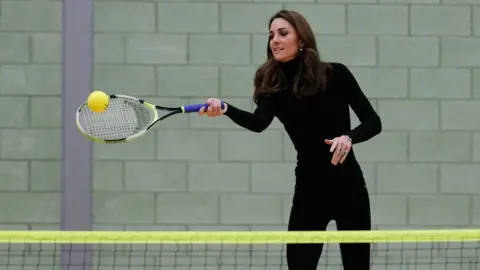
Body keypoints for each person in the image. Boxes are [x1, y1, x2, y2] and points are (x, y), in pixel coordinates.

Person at [198, 9, 382, 270]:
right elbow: (258, 123)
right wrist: (225, 108)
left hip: (349, 188)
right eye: (271, 35)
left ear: (302, 39)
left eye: (283, 33)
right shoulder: (272, 86)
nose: (274, 40)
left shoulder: (335, 74)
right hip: (309, 190)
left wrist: (349, 138)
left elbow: (373, 122)